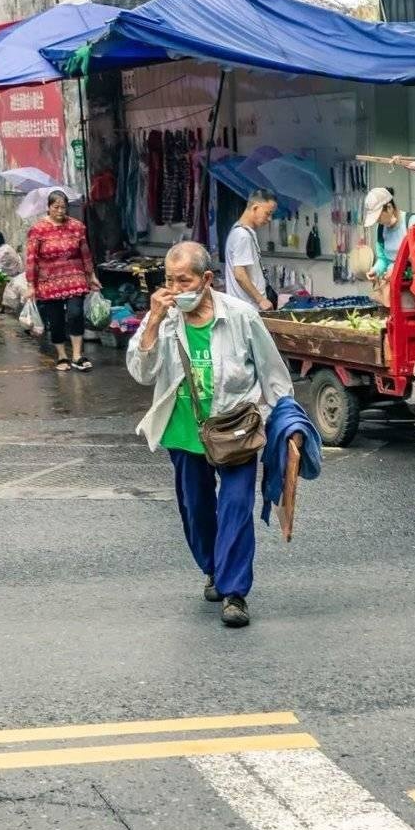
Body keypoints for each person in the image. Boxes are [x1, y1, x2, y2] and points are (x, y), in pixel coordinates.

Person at [127, 240, 294, 629]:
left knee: (236, 506)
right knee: (196, 509)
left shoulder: (240, 315)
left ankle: (235, 592)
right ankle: (213, 568)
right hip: (184, 431)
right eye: (169, 280)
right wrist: (151, 321)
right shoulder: (165, 319)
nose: (175, 288)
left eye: (183, 280)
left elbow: (273, 374)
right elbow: (142, 372)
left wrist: (286, 423)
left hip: (236, 429)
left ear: (206, 279)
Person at [25, 190, 101, 372]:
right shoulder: (38, 230)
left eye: (63, 207)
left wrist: (91, 276)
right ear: (48, 208)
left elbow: (85, 254)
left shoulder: (77, 227)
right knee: (56, 319)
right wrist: (30, 285)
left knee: (75, 314)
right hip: (49, 282)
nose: (60, 211)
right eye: (56, 207)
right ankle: (61, 356)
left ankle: (77, 355)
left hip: (75, 278)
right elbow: (31, 259)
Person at [224, 188, 278, 311]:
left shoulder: (241, 231)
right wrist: (261, 300)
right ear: (255, 208)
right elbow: (240, 274)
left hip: (245, 307)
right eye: (268, 213)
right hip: (247, 308)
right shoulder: (243, 236)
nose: (269, 219)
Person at [364, 186, 415, 289]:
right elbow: (383, 259)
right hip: (394, 286)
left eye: (378, 217)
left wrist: (399, 272)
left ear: (389, 208)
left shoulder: (412, 222)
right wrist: (376, 270)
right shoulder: (381, 229)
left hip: (414, 286)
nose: (377, 221)